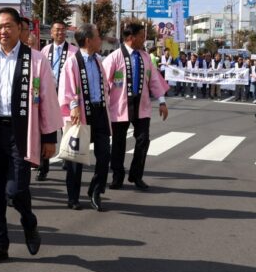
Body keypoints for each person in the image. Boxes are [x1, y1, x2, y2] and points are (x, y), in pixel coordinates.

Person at [0, 7, 61, 264]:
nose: (3, 31)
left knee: (16, 189)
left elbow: (49, 100)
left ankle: (29, 221)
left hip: (22, 130)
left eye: (8, 26)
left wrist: (49, 137)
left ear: (20, 28)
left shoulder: (37, 60)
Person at [104, 22, 169, 191]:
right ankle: (117, 176)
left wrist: (162, 101)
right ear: (131, 38)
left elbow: (154, 80)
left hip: (142, 105)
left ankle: (136, 175)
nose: (144, 39)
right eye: (141, 36)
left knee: (143, 140)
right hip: (119, 106)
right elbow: (103, 82)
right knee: (118, 143)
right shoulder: (115, 57)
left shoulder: (145, 57)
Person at [58, 24, 112, 211]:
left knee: (105, 155)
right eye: (98, 36)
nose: (100, 40)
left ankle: (96, 190)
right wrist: (73, 106)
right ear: (88, 40)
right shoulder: (73, 62)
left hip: (99, 112)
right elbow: (67, 87)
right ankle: (73, 197)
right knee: (76, 159)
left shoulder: (98, 60)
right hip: (80, 113)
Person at [37, 21, 78, 181]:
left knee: (67, 129)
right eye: (56, 30)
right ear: (51, 33)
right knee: (46, 130)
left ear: (66, 32)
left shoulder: (73, 51)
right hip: (48, 93)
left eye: (62, 30)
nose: (59, 33)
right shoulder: (45, 50)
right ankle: (43, 166)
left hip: (66, 94)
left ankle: (67, 158)